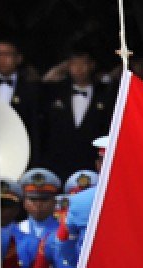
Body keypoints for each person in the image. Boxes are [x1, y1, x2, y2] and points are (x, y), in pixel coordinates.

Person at [37, 46, 115, 179]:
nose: (78, 68)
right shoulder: (54, 92)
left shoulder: (105, 94)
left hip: (91, 165)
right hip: (58, 165)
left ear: (92, 65)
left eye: (83, 63)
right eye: (74, 63)